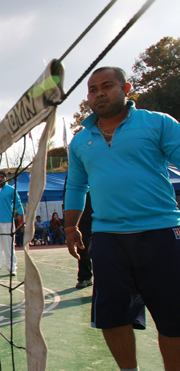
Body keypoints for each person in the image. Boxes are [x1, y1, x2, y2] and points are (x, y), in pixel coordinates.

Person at [65, 66, 180, 370]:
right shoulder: (79, 141)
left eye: (107, 85)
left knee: (174, 318)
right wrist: (70, 227)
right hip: (107, 239)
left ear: (126, 88)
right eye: (92, 89)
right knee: (112, 316)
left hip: (160, 232)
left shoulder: (158, 124)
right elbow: (77, 185)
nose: (99, 93)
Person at [0, 171, 24, 277]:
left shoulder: (11, 190)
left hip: (8, 222)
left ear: (6, 178)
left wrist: (22, 216)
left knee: (9, 246)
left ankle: (12, 268)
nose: (0, 179)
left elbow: (18, 203)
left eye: (2, 177)